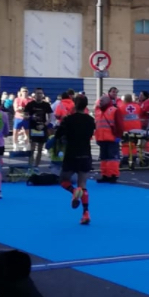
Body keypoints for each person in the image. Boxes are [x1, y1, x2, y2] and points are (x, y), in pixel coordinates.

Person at [53, 94, 95, 226]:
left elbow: (58, 134)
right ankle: (86, 213)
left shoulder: (68, 119)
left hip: (71, 153)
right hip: (85, 153)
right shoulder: (90, 120)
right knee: (83, 184)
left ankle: (73, 191)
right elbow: (90, 134)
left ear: (74, 105)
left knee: (63, 180)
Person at [21, 89, 53, 171]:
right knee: (32, 148)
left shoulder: (46, 105)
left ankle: (36, 166)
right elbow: (25, 116)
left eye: (41, 93)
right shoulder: (30, 104)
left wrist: (44, 125)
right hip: (33, 128)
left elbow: (50, 117)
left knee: (40, 149)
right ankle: (30, 165)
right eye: (37, 93)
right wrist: (31, 117)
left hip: (42, 128)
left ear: (43, 95)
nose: (39, 95)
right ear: (34, 94)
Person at [93, 95, 121, 183]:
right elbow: (97, 126)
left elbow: (119, 124)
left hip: (111, 138)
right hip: (102, 138)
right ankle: (105, 174)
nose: (100, 102)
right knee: (104, 158)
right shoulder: (98, 111)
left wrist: (118, 136)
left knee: (112, 158)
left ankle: (112, 175)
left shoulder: (114, 110)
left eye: (102, 100)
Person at [118, 94, 143, 167]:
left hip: (126, 129)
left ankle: (125, 156)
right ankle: (134, 156)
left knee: (125, 143)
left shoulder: (121, 107)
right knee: (134, 143)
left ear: (124, 100)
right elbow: (140, 114)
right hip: (137, 129)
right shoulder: (137, 106)